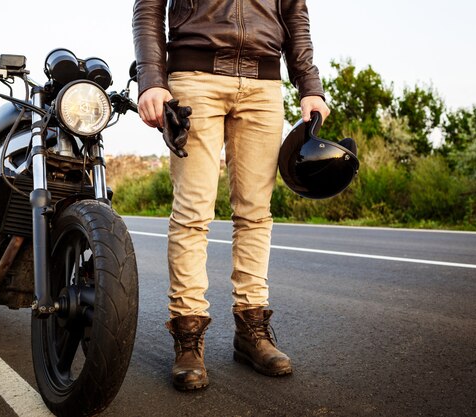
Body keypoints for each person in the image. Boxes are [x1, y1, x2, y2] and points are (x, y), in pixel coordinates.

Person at [132, 0, 330, 391]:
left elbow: (295, 14)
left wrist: (310, 86)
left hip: (263, 83)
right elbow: (148, 7)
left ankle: (251, 330)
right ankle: (188, 338)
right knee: (192, 211)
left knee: (256, 213)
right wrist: (152, 78)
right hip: (194, 75)